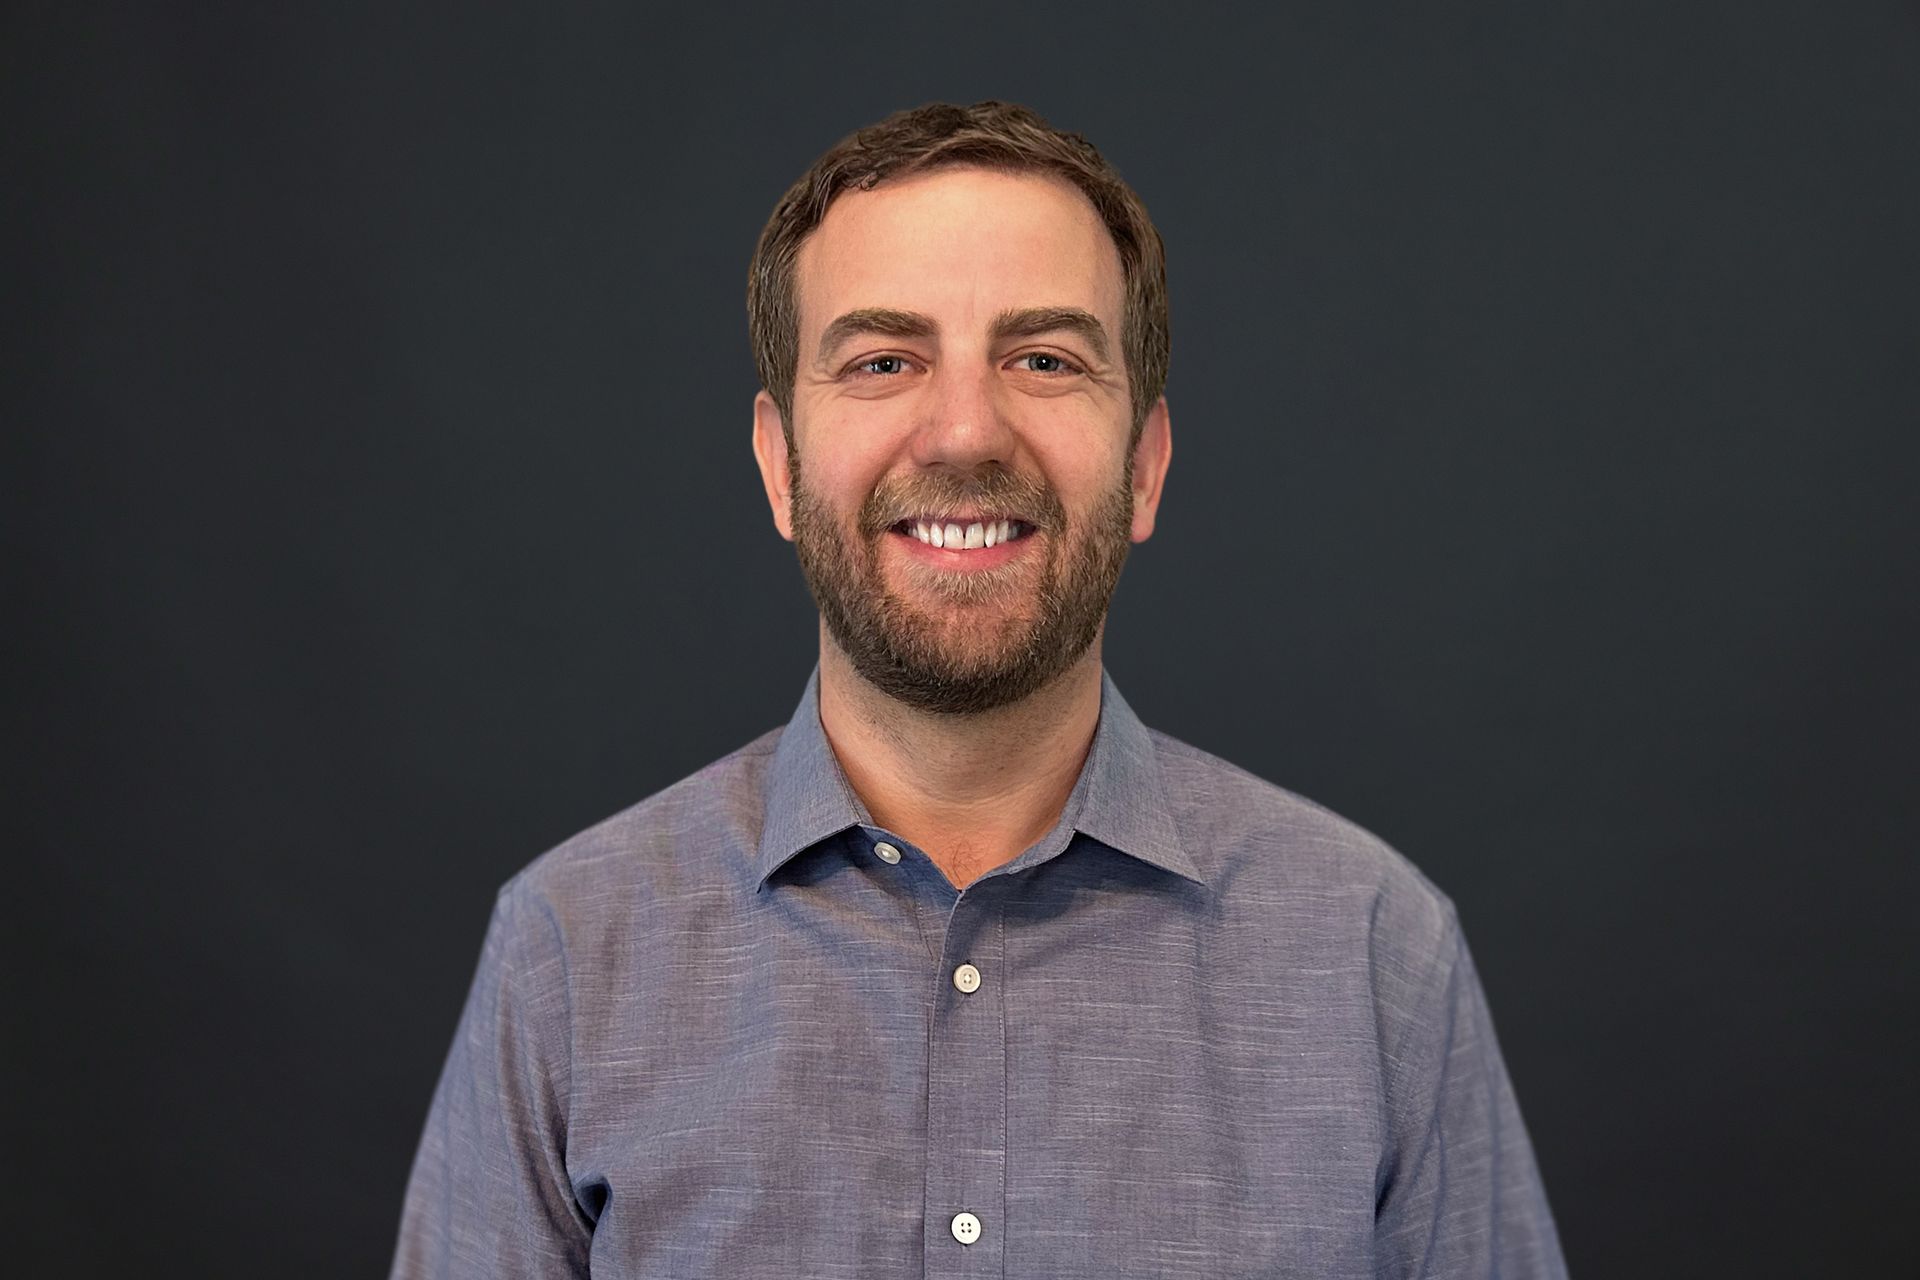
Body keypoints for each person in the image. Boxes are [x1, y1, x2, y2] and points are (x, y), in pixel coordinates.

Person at [389, 100, 1568, 1279]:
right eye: (883, 361)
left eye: (1044, 359)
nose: (962, 430)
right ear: (779, 466)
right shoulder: (568, 953)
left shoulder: (1375, 953)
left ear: (1145, 466)